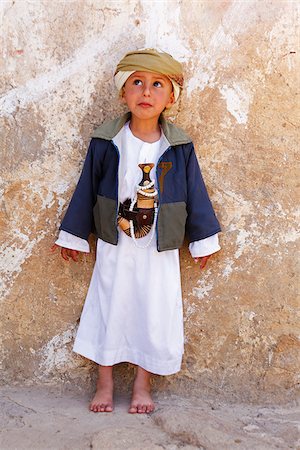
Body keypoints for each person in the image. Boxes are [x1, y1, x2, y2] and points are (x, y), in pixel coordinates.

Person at [51, 48, 221, 414]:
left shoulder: (179, 146)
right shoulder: (106, 141)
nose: (146, 92)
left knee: (154, 309)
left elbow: (195, 193)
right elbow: (86, 188)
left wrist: (203, 240)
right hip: (116, 244)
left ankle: (143, 383)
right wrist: (73, 235)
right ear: (123, 93)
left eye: (157, 84)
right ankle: (105, 381)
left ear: (170, 97)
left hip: (159, 248)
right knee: (109, 304)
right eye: (137, 83)